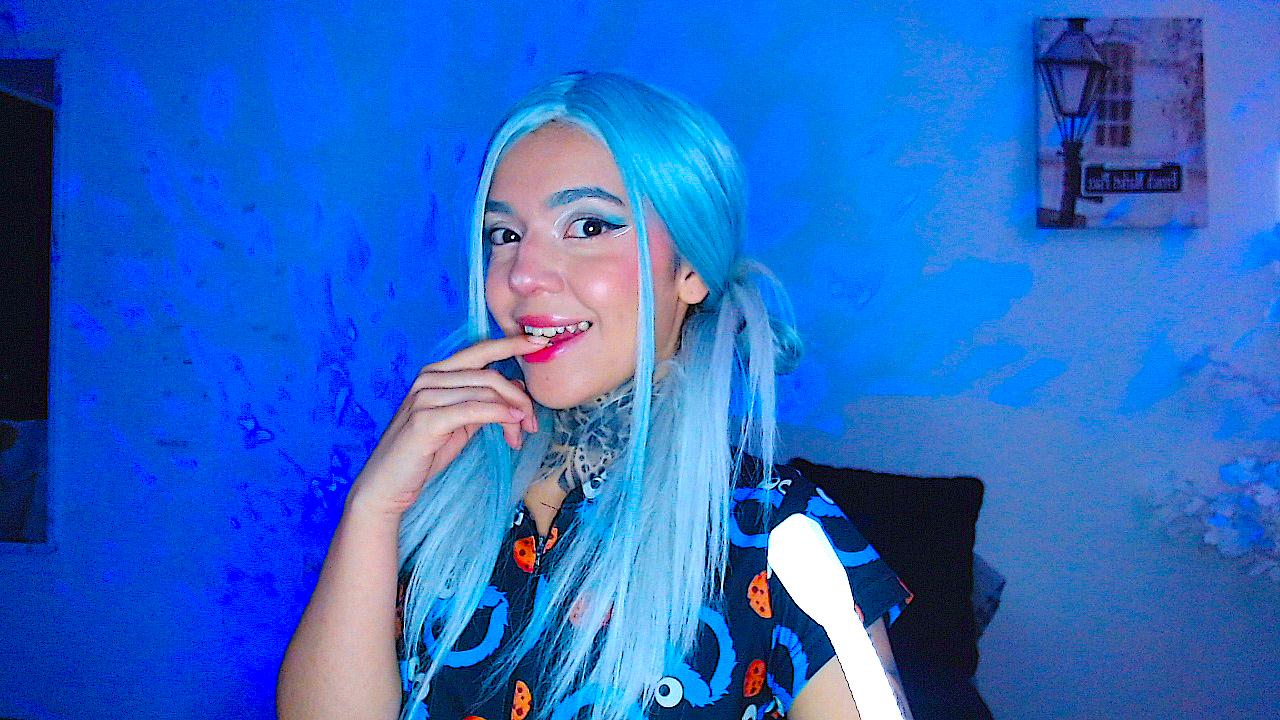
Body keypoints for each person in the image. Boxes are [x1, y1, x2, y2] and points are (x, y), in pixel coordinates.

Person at [278, 71, 913, 720]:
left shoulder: (781, 536)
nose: (523, 275)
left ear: (692, 268)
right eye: (504, 235)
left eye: (587, 226)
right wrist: (373, 508)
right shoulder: (442, 496)